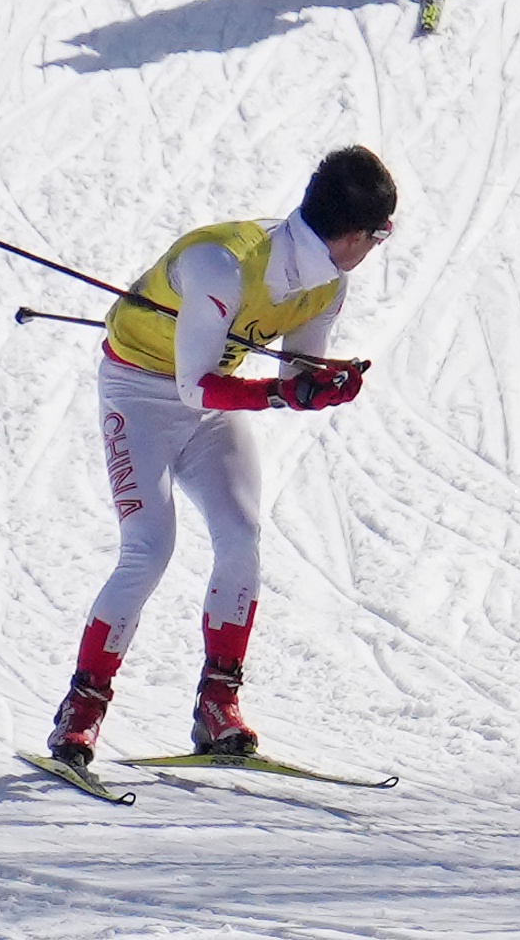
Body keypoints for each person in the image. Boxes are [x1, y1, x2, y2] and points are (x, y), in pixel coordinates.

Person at [46, 144, 397, 771]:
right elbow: (193, 385)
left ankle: (219, 704)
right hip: (142, 392)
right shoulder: (223, 264)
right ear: (351, 234)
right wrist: (288, 392)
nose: (378, 246)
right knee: (149, 547)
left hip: (211, 402)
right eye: (380, 234)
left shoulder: (328, 284)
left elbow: (296, 376)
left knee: (241, 536)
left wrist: (325, 385)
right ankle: (82, 709)